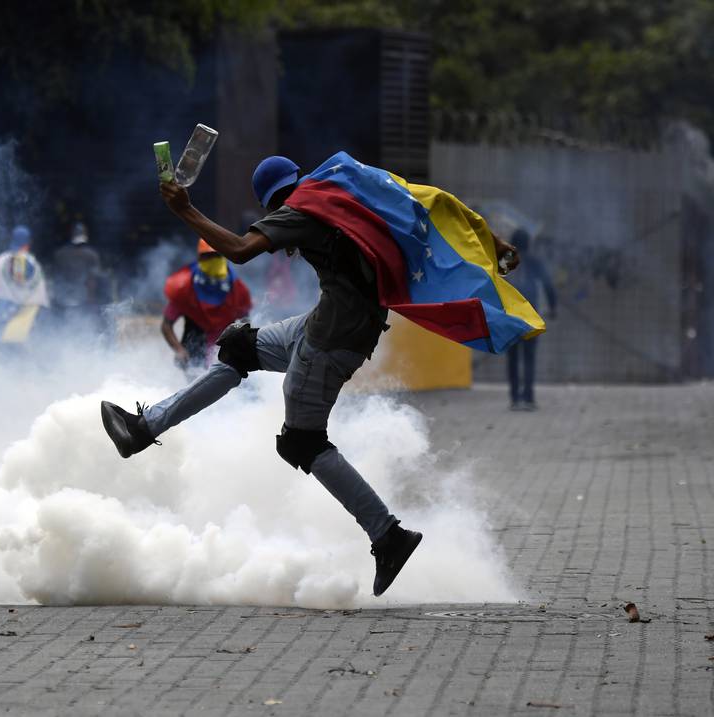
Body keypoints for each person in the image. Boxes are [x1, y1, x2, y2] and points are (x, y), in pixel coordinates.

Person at [101, 153, 541, 597]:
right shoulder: (344, 183)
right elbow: (426, 204)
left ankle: (388, 535)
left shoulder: (299, 211)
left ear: (274, 203)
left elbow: (238, 250)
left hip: (331, 340)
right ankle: (144, 427)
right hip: (329, 324)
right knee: (237, 347)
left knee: (303, 439)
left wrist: (185, 210)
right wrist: (492, 241)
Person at [161, 238, 252, 369]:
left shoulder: (238, 289)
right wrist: (179, 350)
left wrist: (241, 348)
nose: (213, 260)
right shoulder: (184, 286)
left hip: (224, 349)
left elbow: (245, 323)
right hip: (194, 349)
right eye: (208, 256)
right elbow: (166, 325)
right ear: (200, 258)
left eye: (217, 255)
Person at [504, 229, 557, 411]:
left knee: (512, 358)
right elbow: (549, 285)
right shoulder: (535, 262)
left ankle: (514, 398)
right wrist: (552, 308)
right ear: (529, 243)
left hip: (510, 317)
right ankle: (528, 397)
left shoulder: (506, 261)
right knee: (529, 358)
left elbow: (494, 285)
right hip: (530, 316)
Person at [51, 221, 105, 333]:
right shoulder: (92, 255)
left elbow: (56, 279)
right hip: (83, 301)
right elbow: (92, 280)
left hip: (62, 300)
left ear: (72, 235)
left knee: (62, 331)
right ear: (85, 236)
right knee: (86, 331)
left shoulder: (59, 254)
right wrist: (92, 301)